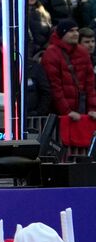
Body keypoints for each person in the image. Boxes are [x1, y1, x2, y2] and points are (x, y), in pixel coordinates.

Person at [41, 18, 96, 153]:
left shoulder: (83, 53)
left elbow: (90, 84)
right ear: (62, 33)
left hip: (81, 110)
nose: (75, 34)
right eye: (71, 31)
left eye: (77, 30)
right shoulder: (51, 53)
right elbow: (55, 87)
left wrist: (92, 108)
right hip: (62, 114)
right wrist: (66, 111)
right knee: (63, 150)